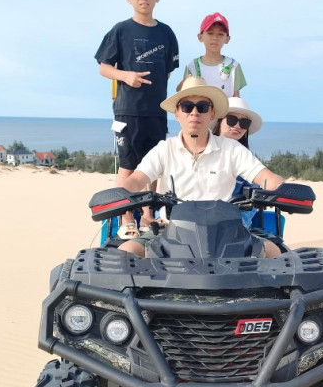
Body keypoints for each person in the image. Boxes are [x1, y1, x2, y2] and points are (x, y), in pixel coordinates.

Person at [118, 76, 284, 258]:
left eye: (202, 107)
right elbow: (137, 179)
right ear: (177, 113)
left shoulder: (232, 149)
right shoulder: (164, 149)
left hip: (228, 234)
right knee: (126, 252)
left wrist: (280, 187)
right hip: (168, 231)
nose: (194, 113)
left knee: (273, 252)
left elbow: (267, 178)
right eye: (187, 106)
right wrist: (121, 192)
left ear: (212, 114)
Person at [95, 0, 179, 239]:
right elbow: (103, 67)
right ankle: (127, 217)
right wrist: (125, 76)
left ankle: (147, 215)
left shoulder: (166, 33)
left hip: (157, 110)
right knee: (128, 165)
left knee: (153, 166)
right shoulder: (120, 30)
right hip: (128, 110)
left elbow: (167, 72)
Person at [212, 96, 263, 227]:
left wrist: (235, 226)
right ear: (219, 121)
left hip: (230, 230)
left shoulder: (249, 162)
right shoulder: (197, 153)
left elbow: (251, 204)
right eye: (231, 120)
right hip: (193, 224)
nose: (237, 126)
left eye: (244, 123)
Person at [177, 12, 246, 97]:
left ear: (227, 39)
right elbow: (184, 95)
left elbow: (236, 99)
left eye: (220, 34)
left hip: (227, 106)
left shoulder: (233, 66)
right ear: (200, 37)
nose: (215, 38)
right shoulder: (192, 66)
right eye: (210, 33)